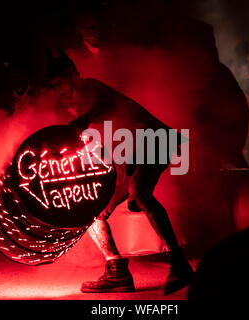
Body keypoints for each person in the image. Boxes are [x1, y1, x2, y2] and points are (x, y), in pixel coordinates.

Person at [46, 46, 194, 295]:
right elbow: (95, 152)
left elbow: (105, 110)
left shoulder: (89, 89)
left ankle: (179, 264)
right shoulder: (62, 110)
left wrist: (88, 123)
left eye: (64, 78)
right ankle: (116, 270)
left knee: (140, 192)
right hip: (125, 154)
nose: (60, 86)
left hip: (152, 138)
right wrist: (107, 193)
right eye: (54, 83)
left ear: (75, 74)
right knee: (93, 208)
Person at [228, 40, 249, 114]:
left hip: (244, 100)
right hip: (229, 99)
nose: (240, 55)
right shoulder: (228, 65)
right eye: (239, 53)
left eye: (243, 53)